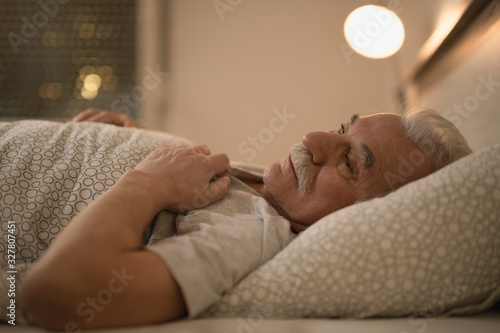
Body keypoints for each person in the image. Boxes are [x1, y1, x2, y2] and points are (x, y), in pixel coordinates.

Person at [10, 108, 471, 330]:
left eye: (350, 162)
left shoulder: (251, 230)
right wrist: (126, 140)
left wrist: (144, 181)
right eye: (343, 128)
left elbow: (59, 292)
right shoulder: (260, 183)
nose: (314, 137)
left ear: (363, 221)